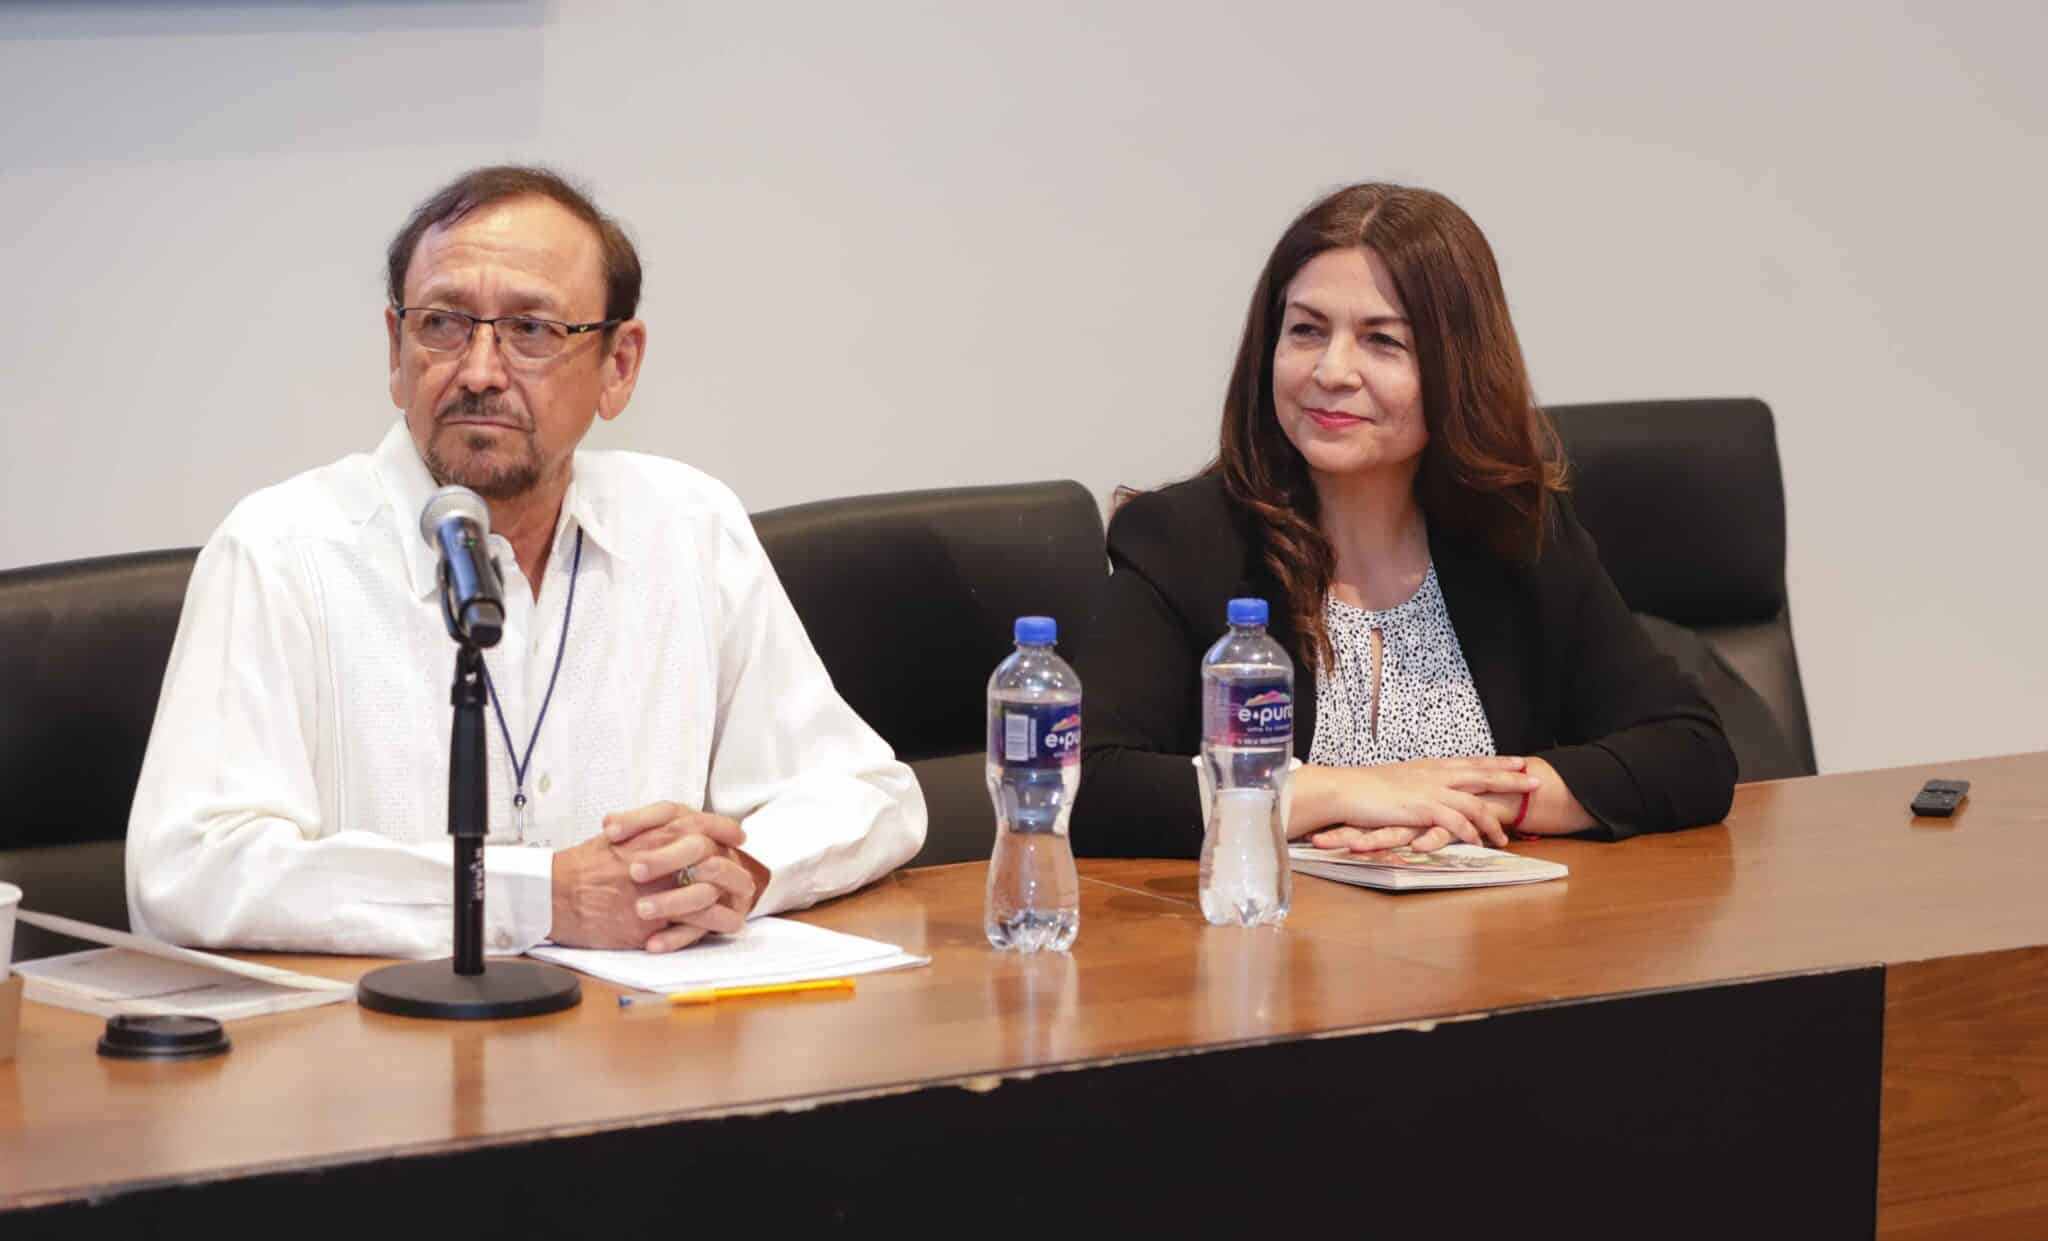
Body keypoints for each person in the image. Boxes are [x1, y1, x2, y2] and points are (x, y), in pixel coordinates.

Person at [127, 166, 926, 957]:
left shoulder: (688, 526)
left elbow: (871, 795)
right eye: (441, 324)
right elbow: (188, 872)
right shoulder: (280, 550)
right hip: (382, 1061)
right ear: (396, 351)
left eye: (531, 331)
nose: (478, 370)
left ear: (619, 365)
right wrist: (541, 896)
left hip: (639, 1053)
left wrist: (739, 869)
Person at [1074, 183, 1735, 859]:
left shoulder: (1516, 536)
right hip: (1271, 946)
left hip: (1498, 951)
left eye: (1382, 341)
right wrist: (1344, 792)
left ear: (1459, 367)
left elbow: (1692, 750)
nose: (1332, 371)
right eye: (1305, 330)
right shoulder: (1185, 542)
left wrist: (1475, 798)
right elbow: (1086, 784)